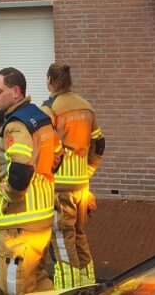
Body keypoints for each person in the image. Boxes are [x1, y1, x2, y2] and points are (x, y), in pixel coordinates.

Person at [0, 67, 61, 295]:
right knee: (39, 283)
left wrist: (9, 197)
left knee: (14, 286)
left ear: (16, 92)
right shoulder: (41, 117)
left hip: (19, 224)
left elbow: (21, 169)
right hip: (41, 217)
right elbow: (57, 156)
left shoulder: (16, 124)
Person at [42, 63, 106, 288]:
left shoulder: (50, 108)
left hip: (59, 186)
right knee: (79, 234)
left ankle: (69, 289)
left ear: (50, 80)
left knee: (61, 238)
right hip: (81, 185)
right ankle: (88, 283)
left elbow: (44, 145)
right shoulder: (86, 107)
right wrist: (87, 171)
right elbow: (99, 144)